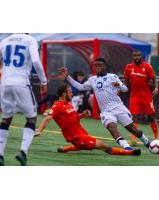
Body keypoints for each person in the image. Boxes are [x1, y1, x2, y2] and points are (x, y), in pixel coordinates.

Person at [59, 57, 151, 151]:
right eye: (96, 66)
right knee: (111, 127)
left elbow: (125, 89)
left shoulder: (112, 77)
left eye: (100, 65)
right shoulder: (92, 80)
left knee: (133, 129)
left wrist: (119, 85)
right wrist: (68, 77)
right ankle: (126, 147)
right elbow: (80, 87)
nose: (97, 67)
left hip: (118, 107)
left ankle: (146, 141)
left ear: (104, 66)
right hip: (106, 111)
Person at [34, 84, 141, 156]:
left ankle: (65, 149)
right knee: (104, 146)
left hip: (81, 133)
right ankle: (131, 153)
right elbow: (47, 118)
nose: (72, 94)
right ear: (63, 94)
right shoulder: (57, 106)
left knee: (83, 146)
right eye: (70, 92)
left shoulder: (68, 104)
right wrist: (39, 130)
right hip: (76, 137)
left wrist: (82, 115)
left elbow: (72, 118)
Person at [0, 33, 47, 166]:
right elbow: (36, 61)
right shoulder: (30, 40)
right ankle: (23, 152)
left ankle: (0, 154)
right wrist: (44, 81)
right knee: (31, 118)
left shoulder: (4, 40)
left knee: (6, 118)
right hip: (21, 82)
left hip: (5, 83)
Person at [124, 50, 159, 146]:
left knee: (151, 117)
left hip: (146, 96)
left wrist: (156, 88)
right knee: (133, 117)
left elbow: (154, 78)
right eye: (134, 55)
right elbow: (126, 81)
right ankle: (134, 139)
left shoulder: (147, 66)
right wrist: (119, 90)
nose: (136, 57)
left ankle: (156, 139)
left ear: (141, 56)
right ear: (132, 57)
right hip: (134, 96)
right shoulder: (128, 67)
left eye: (138, 55)